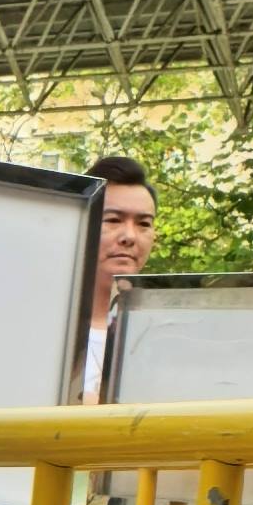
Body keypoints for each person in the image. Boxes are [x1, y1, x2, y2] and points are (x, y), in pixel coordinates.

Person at [83, 153, 159, 399]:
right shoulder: (43, 328)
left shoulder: (161, 333)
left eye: (144, 224)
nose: (130, 236)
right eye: (113, 220)